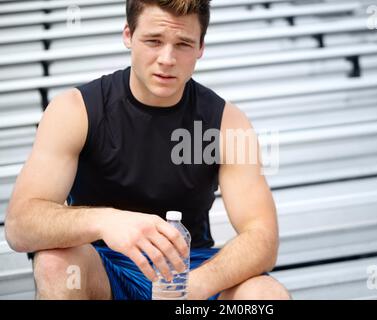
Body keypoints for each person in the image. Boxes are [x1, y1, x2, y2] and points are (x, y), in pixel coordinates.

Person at [5, 0, 291, 300]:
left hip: (189, 269)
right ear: (128, 35)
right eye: (154, 41)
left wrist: (195, 286)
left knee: (265, 295)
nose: (167, 58)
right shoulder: (76, 110)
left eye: (183, 44)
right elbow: (20, 224)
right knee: (55, 264)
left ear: (201, 48)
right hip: (104, 266)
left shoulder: (226, 123)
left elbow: (262, 237)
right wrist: (107, 221)